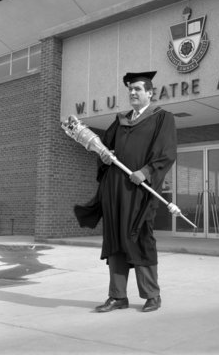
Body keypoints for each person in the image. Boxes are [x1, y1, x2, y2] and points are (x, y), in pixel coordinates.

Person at [75, 71, 177, 312]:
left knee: (141, 238)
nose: (132, 93)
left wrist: (147, 171)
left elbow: (167, 152)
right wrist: (104, 156)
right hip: (116, 189)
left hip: (141, 191)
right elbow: (106, 148)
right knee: (116, 240)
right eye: (130, 89)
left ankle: (152, 295)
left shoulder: (162, 118)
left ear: (150, 93)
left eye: (137, 89)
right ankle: (118, 296)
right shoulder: (120, 120)